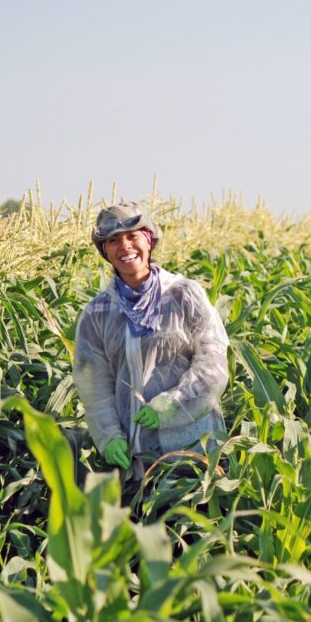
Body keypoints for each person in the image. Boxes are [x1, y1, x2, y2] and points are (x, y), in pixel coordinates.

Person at [73, 202, 229, 476]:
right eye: (113, 241)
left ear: (148, 239)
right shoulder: (98, 313)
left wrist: (174, 403)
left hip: (194, 450)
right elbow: (95, 387)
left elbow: (213, 362)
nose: (125, 246)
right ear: (105, 251)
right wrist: (109, 435)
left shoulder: (184, 295)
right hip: (136, 458)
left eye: (133, 236)